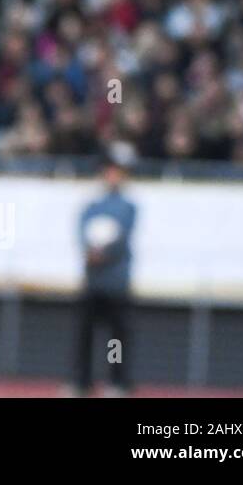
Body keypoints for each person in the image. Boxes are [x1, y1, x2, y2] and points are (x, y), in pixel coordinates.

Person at [72, 159, 137, 396]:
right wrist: (90, 253)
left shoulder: (127, 207)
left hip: (116, 284)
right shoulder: (92, 207)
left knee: (115, 339)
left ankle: (116, 381)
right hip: (93, 283)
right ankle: (82, 382)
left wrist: (104, 254)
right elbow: (82, 233)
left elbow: (122, 236)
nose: (112, 177)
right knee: (85, 336)